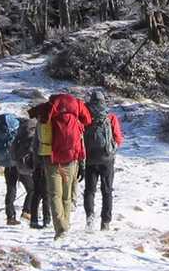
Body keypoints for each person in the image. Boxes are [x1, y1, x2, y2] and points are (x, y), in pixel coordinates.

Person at [29, 91, 92, 239]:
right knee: (66, 196)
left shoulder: (48, 107)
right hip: (71, 158)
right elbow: (88, 120)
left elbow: (31, 115)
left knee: (54, 195)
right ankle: (65, 225)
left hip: (51, 158)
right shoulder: (77, 105)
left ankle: (61, 228)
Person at [82, 91, 125, 230]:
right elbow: (118, 138)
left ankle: (90, 218)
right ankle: (105, 222)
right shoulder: (110, 117)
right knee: (107, 191)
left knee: (90, 190)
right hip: (107, 159)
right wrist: (113, 148)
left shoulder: (85, 117)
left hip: (89, 159)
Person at [13, 116, 49, 230]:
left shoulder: (22, 132)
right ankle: (43, 218)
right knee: (42, 193)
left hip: (26, 165)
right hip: (40, 165)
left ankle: (32, 218)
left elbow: (13, 150)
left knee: (35, 192)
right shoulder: (39, 130)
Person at [0, 112, 23, 225]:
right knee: (31, 188)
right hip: (18, 162)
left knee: (10, 188)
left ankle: (10, 216)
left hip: (6, 162)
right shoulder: (16, 128)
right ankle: (27, 212)